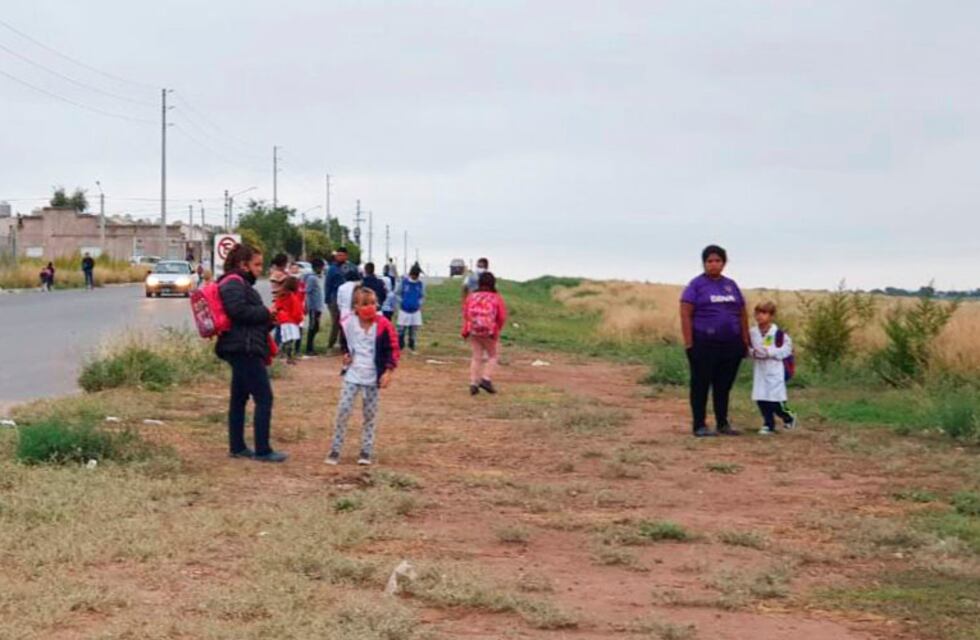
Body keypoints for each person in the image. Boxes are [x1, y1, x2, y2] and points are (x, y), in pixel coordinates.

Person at [215, 243, 287, 463]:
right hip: (244, 348)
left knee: (239, 398)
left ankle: (238, 447)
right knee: (264, 397)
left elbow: (247, 318)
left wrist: (267, 319)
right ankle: (262, 450)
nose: (259, 269)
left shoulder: (237, 283)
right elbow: (237, 312)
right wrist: (265, 312)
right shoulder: (234, 284)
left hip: (243, 346)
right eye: (256, 264)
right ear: (242, 264)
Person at [680, 245, 749, 437]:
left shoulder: (731, 285)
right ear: (704, 263)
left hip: (731, 344)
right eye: (710, 261)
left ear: (724, 263)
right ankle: (699, 425)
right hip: (704, 344)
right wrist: (689, 343)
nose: (714, 264)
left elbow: (742, 313)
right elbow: (685, 314)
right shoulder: (696, 286)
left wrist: (745, 341)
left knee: (723, 385)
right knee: (701, 384)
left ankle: (723, 423)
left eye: (718, 260)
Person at [325, 287, 400, 466]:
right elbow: (344, 339)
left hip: (372, 378)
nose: (370, 307)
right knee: (343, 410)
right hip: (353, 375)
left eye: (373, 303)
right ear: (355, 307)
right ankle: (335, 449)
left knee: (370, 415)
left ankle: (366, 450)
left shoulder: (383, 325)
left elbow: (393, 348)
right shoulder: (349, 323)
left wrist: (388, 371)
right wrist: (345, 353)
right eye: (365, 304)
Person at [750, 301, 798, 435]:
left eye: (764, 313)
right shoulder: (753, 332)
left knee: (775, 400)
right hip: (760, 370)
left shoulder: (779, 334)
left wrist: (770, 352)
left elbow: (787, 350)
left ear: (771, 316)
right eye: (757, 313)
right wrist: (752, 353)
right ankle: (768, 424)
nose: (760, 316)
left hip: (774, 369)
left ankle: (788, 416)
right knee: (761, 398)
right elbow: (746, 347)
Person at [462, 271, 508, 395]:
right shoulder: (496, 298)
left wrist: (466, 328)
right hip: (489, 330)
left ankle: (473, 383)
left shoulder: (472, 296)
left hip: (473, 329)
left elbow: (466, 313)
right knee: (493, 356)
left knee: (476, 357)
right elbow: (502, 316)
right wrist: (497, 328)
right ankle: (486, 379)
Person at [325, 247, 357, 350]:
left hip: (350, 298)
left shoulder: (352, 267)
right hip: (335, 298)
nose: (339, 257)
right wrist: (327, 299)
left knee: (347, 322)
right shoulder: (332, 269)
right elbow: (328, 284)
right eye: (338, 255)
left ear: (346, 256)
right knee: (336, 321)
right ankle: (331, 344)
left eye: (341, 255)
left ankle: (344, 344)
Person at [396, 264, 426, 352]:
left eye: (416, 276)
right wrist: (401, 302)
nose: (415, 277)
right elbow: (397, 293)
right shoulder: (404, 282)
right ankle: (400, 345)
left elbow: (422, 296)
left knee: (413, 329)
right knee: (401, 329)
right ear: (410, 274)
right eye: (413, 275)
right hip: (404, 310)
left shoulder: (420, 284)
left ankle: (411, 346)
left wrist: (419, 303)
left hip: (415, 311)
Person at [275, 276, 304, 364]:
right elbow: (296, 309)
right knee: (290, 339)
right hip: (290, 319)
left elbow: (278, 306)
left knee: (286, 338)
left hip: (284, 318)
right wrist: (299, 318)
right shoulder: (291, 295)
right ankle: (288, 357)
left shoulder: (282, 294)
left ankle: (285, 355)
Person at [304, 258, 326, 356]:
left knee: (316, 327)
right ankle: (309, 348)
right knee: (313, 327)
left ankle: (311, 347)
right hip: (313, 307)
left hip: (318, 307)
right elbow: (307, 292)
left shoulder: (318, 277)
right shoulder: (312, 278)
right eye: (320, 267)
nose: (322, 269)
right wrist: (307, 306)